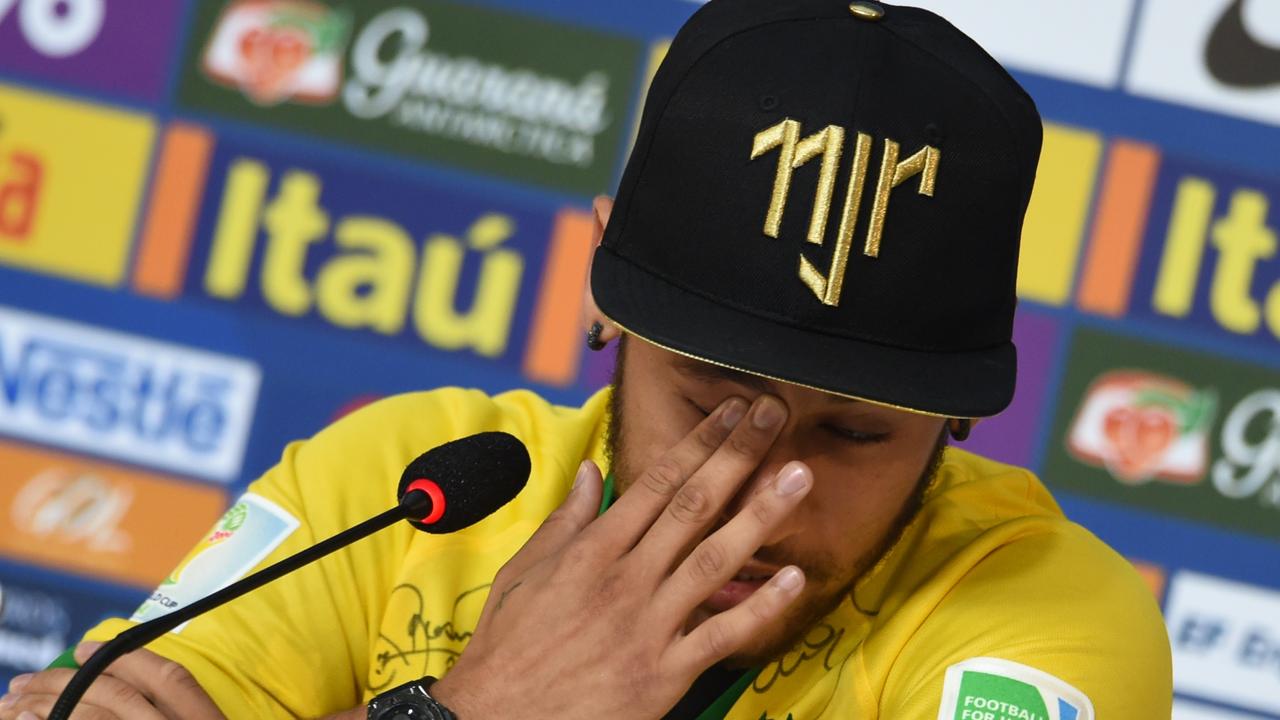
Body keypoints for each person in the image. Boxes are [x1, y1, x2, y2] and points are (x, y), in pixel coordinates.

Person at [0, 1, 1173, 718]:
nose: (758, 499)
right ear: (602, 294)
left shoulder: (1049, 615)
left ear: (957, 418)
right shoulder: (409, 476)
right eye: (713, 404)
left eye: (853, 432)